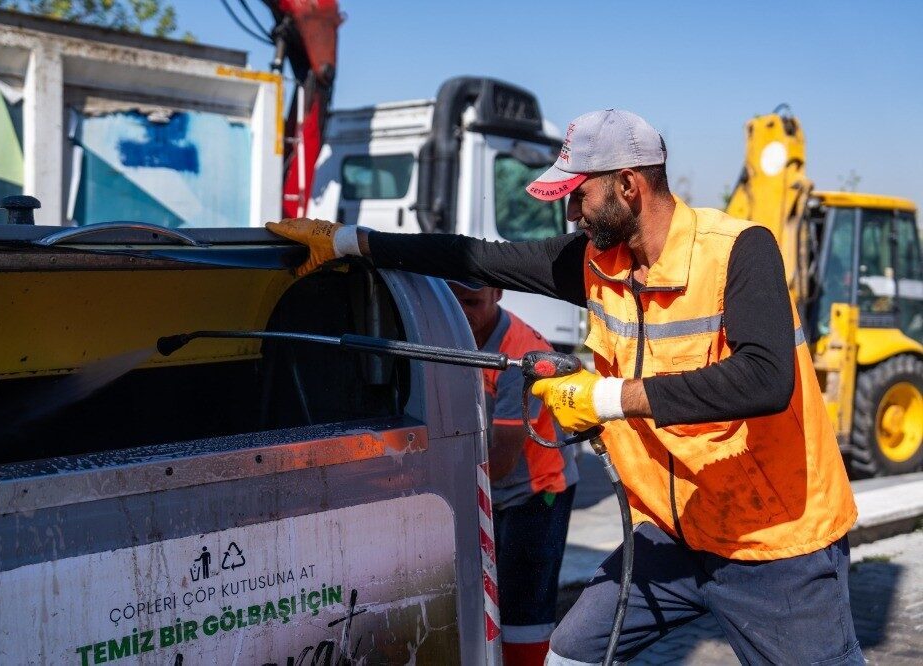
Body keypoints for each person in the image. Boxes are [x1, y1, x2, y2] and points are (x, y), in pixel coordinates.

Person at [268, 109, 862, 665]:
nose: (572, 214)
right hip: (674, 534)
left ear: (628, 185)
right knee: (568, 654)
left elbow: (765, 379)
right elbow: (477, 259)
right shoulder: (598, 262)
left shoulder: (739, 252)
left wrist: (607, 398)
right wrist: (351, 242)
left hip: (775, 544)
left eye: (579, 196)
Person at [447, 281, 578, 666]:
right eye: (454, 300)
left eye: (472, 302)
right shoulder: (458, 336)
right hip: (498, 491)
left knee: (525, 609)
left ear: (498, 293)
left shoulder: (519, 356)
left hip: (539, 493)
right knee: (492, 600)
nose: (462, 312)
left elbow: (502, 459)